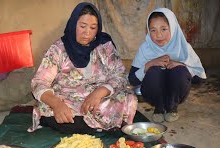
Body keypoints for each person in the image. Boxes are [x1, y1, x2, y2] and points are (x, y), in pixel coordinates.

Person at [27, 2, 137, 134]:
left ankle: (79, 124)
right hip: (68, 98)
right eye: (82, 26)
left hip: (99, 99)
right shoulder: (58, 49)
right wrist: (56, 104)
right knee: (45, 106)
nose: (87, 33)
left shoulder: (104, 46)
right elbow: (39, 82)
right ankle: (98, 125)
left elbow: (120, 75)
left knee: (128, 99)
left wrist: (99, 92)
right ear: (73, 24)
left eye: (93, 28)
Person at [128, 8, 206, 123]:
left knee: (179, 70)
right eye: (153, 30)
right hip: (153, 94)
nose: (158, 35)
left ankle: (172, 107)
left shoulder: (183, 47)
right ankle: (159, 108)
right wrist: (149, 64)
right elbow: (132, 80)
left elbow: (199, 79)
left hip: (176, 94)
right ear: (148, 31)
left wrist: (181, 65)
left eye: (164, 29)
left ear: (173, 28)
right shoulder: (145, 49)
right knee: (153, 70)